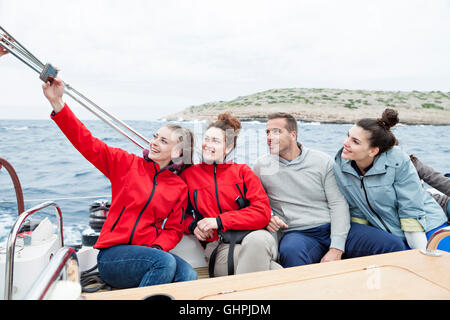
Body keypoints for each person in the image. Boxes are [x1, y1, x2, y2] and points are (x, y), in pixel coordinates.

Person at [40, 76, 197, 289]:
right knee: (164, 263)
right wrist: (57, 104)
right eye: (155, 136)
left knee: (188, 274)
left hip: (148, 253)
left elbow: (174, 229)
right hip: (113, 255)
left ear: (178, 152)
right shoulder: (125, 164)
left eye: (163, 140)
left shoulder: (178, 187)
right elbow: (87, 142)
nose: (153, 142)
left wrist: (158, 247)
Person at [253, 112, 407, 268]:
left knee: (392, 245)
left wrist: (336, 247)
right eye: (267, 132)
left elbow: (338, 204)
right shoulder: (261, 166)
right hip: (298, 233)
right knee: (290, 251)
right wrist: (269, 216)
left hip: (332, 226)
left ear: (293, 135)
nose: (269, 137)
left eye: (276, 131)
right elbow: (255, 202)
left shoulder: (321, 161)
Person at [333, 108, 449, 252]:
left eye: (355, 141)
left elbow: (410, 208)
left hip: (426, 224)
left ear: (373, 151)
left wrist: (420, 251)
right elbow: (357, 208)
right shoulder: (341, 166)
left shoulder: (398, 162)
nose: (346, 143)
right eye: (348, 136)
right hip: (389, 232)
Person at [181, 113, 278, 277]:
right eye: (206, 139)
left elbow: (262, 212)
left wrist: (219, 221)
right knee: (277, 273)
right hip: (219, 245)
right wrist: (192, 226)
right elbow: (177, 214)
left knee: (258, 242)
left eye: (216, 141)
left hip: (254, 235)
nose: (208, 145)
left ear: (228, 148)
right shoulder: (189, 176)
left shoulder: (243, 172)